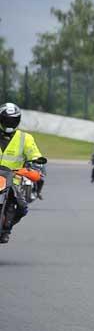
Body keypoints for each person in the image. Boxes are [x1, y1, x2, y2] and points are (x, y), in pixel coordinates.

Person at [0, 103, 45, 243]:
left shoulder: (26, 138)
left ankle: (7, 228)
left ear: (18, 121)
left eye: (12, 120)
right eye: (6, 119)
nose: (9, 123)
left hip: (13, 179)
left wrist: (36, 162)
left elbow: (34, 153)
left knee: (22, 206)